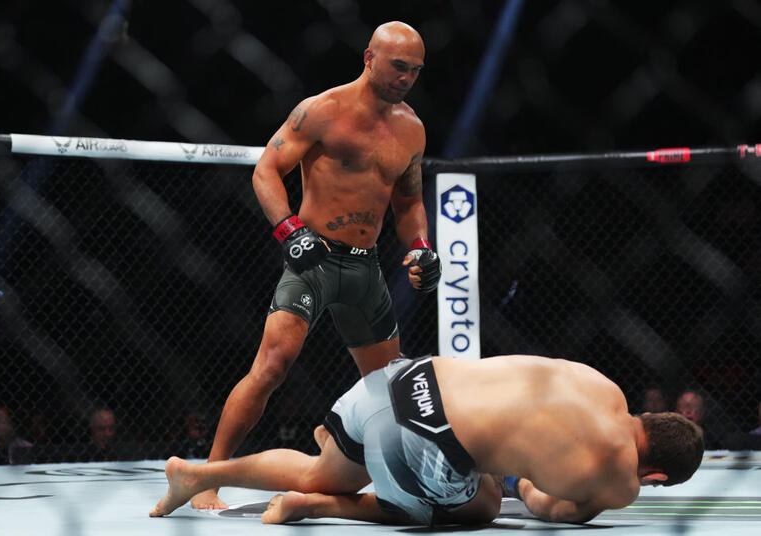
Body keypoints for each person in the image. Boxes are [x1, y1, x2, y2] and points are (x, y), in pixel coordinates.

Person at [191, 21, 440, 509]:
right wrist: (289, 230)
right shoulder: (321, 111)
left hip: (366, 270)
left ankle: (393, 474)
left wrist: (420, 249)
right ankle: (206, 477)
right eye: (398, 66)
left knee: (389, 386)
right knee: (271, 367)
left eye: (415, 70)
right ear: (369, 58)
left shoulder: (412, 129)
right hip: (315, 259)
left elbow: (408, 204)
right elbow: (267, 169)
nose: (407, 77)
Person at [151, 354, 704, 525]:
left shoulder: (599, 383)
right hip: (423, 442)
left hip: (405, 377)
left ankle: (199, 473)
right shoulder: (623, 480)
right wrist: (516, 479)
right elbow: (546, 506)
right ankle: (322, 506)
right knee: (483, 507)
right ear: (655, 475)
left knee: (316, 465)